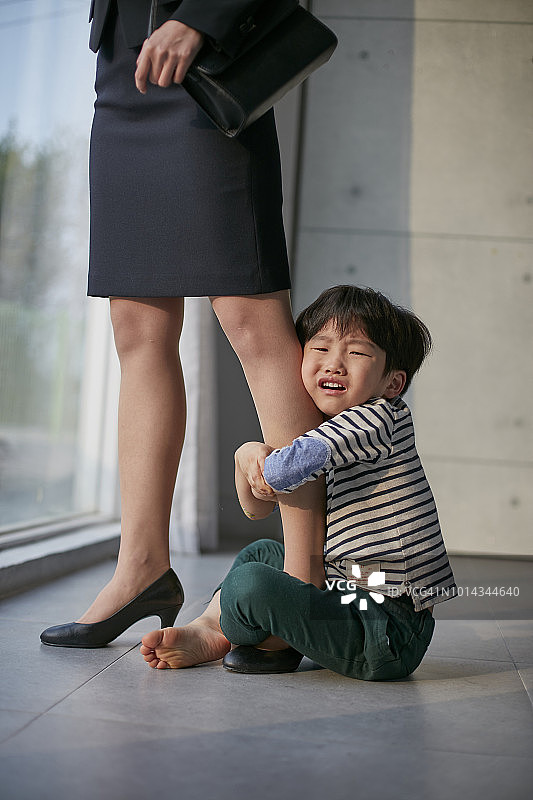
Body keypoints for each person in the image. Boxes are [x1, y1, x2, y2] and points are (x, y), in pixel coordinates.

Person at [39, 0, 326, 649]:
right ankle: (141, 566)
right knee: (136, 333)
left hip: (205, 62)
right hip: (121, 71)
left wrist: (202, 16)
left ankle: (303, 581)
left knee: (253, 322)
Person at [139, 285, 457, 679]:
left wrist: (256, 462)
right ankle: (211, 627)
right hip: (350, 589)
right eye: (319, 348)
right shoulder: (337, 427)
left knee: (250, 585)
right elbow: (255, 510)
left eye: (356, 353)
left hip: (383, 627)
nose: (334, 364)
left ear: (392, 384)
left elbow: (285, 472)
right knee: (260, 555)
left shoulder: (377, 419)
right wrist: (248, 457)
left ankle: (254, 634)